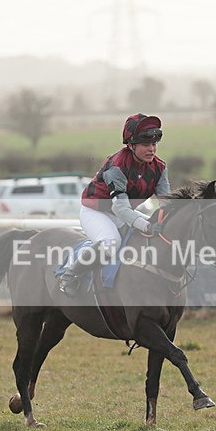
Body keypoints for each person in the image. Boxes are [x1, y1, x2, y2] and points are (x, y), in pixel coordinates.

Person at [58, 113, 171, 296]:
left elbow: (167, 202)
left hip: (122, 213)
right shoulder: (117, 166)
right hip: (96, 212)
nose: (152, 149)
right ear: (131, 145)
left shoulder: (159, 167)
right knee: (111, 243)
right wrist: (147, 225)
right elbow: (120, 208)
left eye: (154, 144)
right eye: (146, 145)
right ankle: (70, 275)